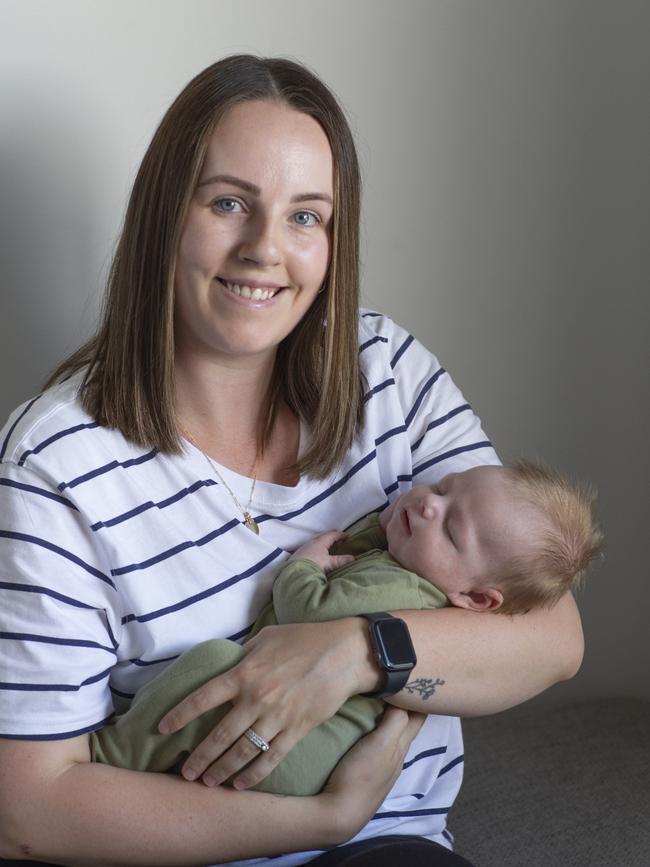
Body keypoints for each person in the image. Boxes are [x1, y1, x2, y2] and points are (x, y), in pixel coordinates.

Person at [0, 55, 585, 867]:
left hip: (391, 851)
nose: (264, 249)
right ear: (165, 214)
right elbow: (29, 808)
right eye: (229, 202)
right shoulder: (55, 461)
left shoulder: (388, 368)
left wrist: (354, 651)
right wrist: (322, 819)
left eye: (306, 216)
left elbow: (551, 636)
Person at [89, 460, 603, 797]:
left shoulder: (399, 588)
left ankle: (113, 753)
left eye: (449, 528)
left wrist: (304, 567)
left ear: (474, 599)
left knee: (208, 664)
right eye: (444, 489)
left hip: (300, 752)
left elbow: (307, 617)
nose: (428, 502)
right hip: (308, 760)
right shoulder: (418, 568)